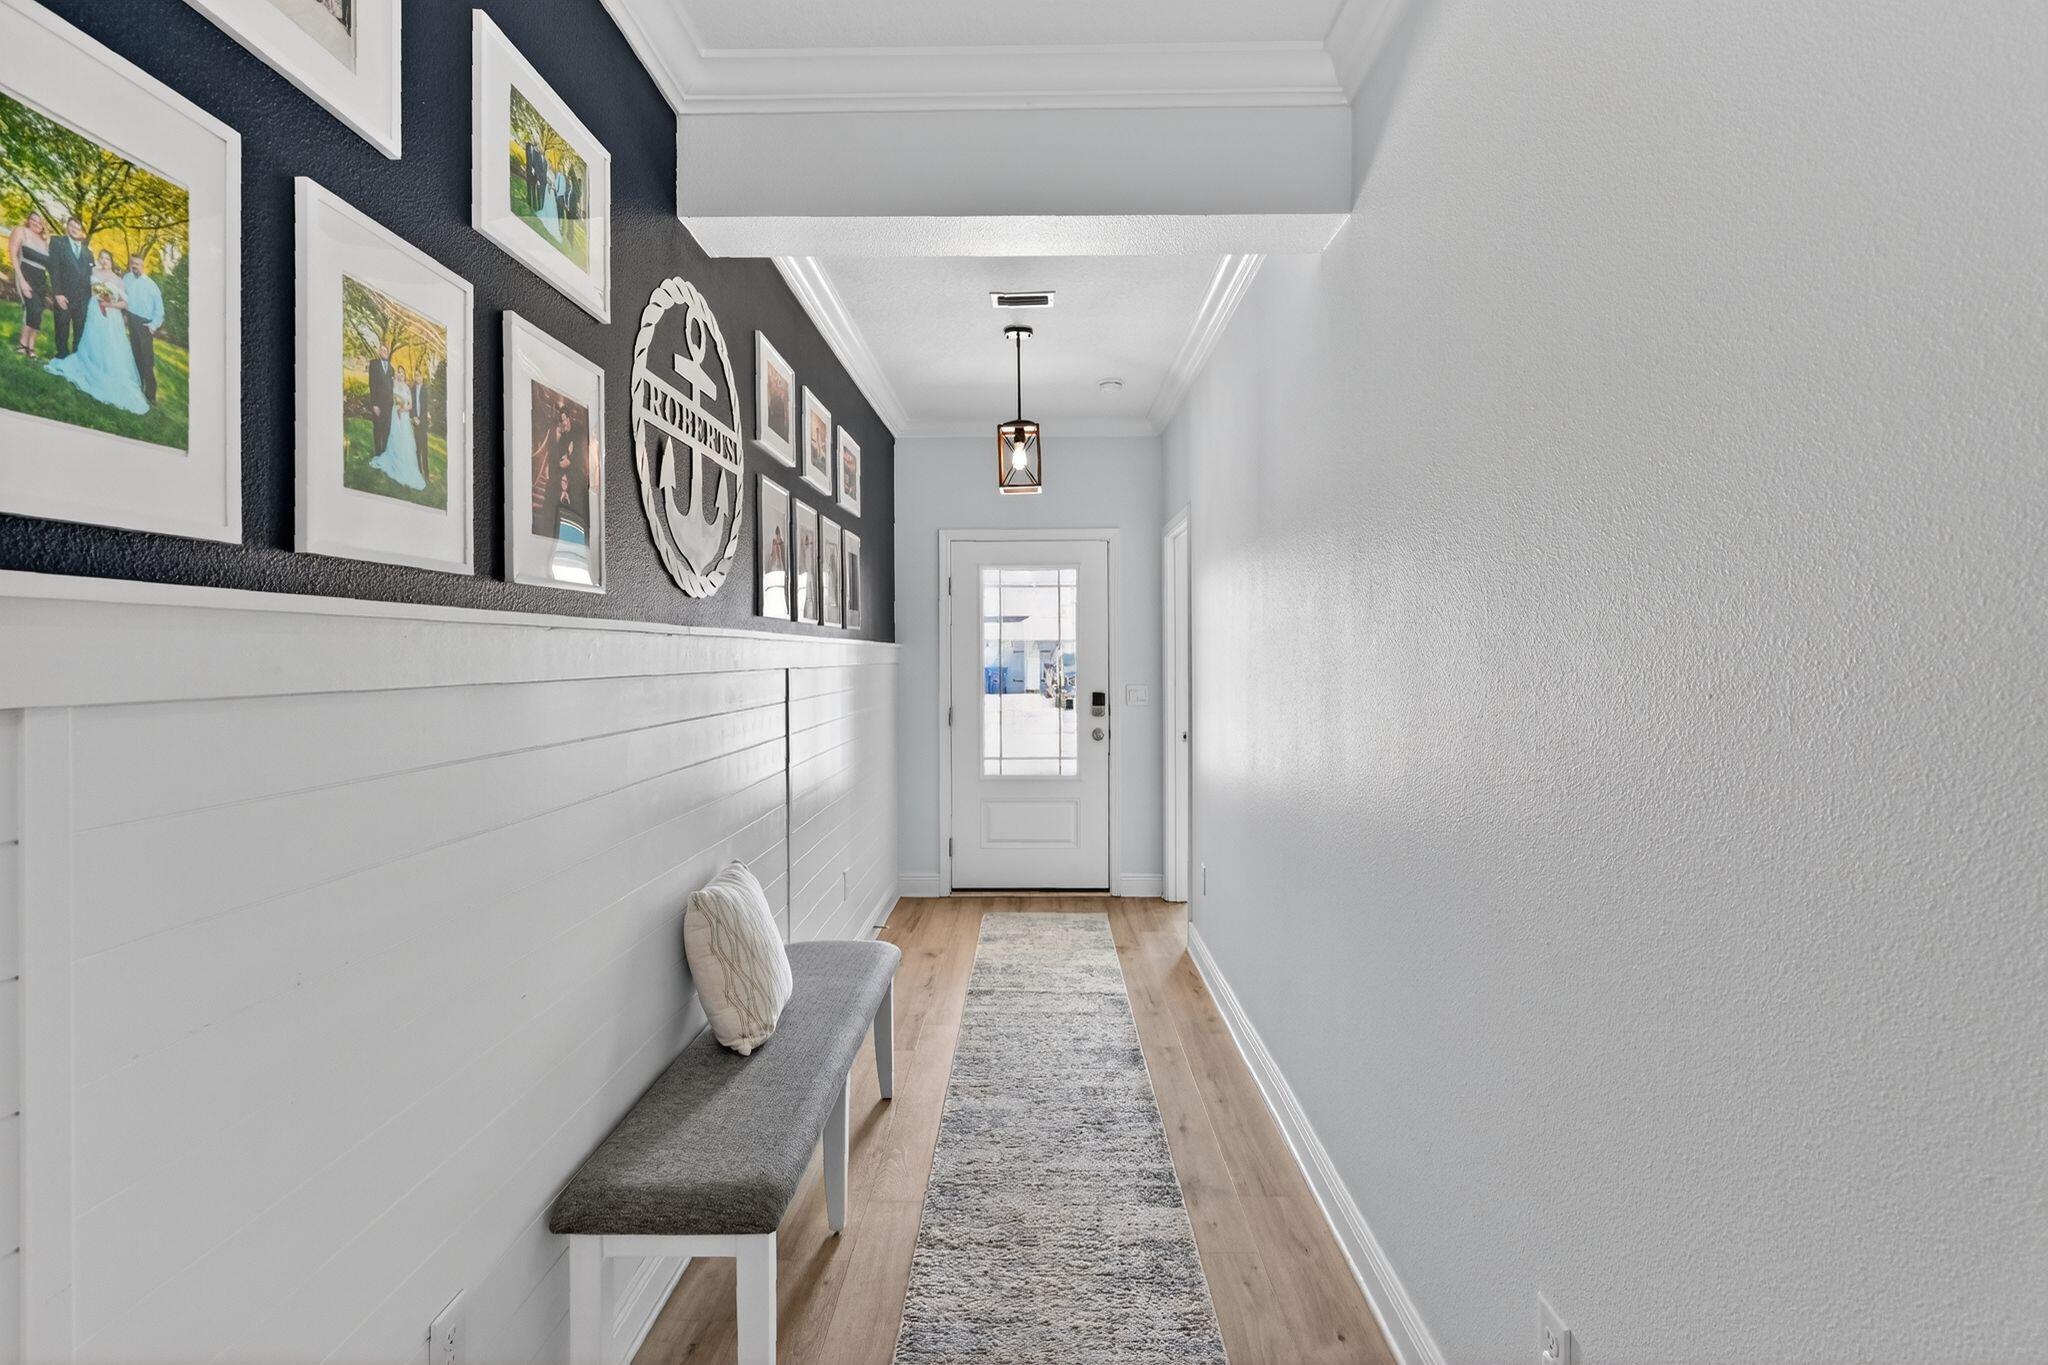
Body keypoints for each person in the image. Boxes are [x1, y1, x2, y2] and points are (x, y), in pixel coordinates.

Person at [44, 248, 149, 413]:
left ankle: (105, 371)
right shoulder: (92, 271)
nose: (105, 260)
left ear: (112, 261)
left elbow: (125, 304)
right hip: (93, 311)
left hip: (110, 317)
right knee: (91, 339)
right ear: (99, 259)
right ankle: (89, 363)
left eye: (108, 258)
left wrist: (109, 304)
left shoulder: (118, 280)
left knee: (107, 344)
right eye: (102, 257)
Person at [368, 363, 426, 490]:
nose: (400, 374)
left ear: (405, 375)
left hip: (403, 417)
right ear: (397, 374)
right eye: (399, 372)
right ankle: (393, 460)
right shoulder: (393, 385)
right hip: (395, 416)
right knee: (394, 437)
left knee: (405, 441)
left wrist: (403, 409)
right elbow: (390, 398)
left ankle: (405, 465)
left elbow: (410, 405)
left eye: (402, 372)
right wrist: (396, 406)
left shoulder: (407, 388)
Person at [45, 216, 93, 361]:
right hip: (64, 296)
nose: (75, 229)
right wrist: (58, 294)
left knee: (80, 330)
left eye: (78, 228)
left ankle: (76, 358)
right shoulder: (57, 242)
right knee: (62, 327)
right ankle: (62, 356)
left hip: (82, 299)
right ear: (67, 226)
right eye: (72, 226)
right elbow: (54, 270)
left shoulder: (88, 252)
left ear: (82, 232)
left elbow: (92, 276)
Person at [120, 255, 165, 404]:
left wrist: (152, 326)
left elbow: (160, 310)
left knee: (147, 361)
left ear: (143, 266)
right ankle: (138, 387)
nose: (135, 266)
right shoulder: (126, 278)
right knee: (135, 356)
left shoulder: (151, 285)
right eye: (133, 264)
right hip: (131, 320)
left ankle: (151, 395)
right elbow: (123, 295)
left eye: (138, 264)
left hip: (145, 324)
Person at [9, 211, 51, 359]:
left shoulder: (45, 241)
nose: (37, 223)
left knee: (37, 312)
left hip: (41, 279)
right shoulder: (21, 231)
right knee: (33, 308)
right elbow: (13, 255)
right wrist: (21, 280)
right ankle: (22, 344)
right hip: (25, 273)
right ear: (29, 220)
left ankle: (30, 346)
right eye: (34, 220)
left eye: (40, 222)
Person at [366, 341, 394, 458]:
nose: (384, 352)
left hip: (388, 405)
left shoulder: (392, 368)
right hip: (378, 403)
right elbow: (372, 384)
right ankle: (378, 453)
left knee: (386, 429)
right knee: (377, 428)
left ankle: (384, 452)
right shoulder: (374, 364)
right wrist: (374, 404)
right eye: (382, 350)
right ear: (379, 352)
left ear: (388, 353)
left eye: (385, 351)